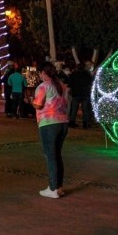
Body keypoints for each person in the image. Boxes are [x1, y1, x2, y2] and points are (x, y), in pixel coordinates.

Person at [32, 61, 70, 199]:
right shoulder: (61, 86)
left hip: (48, 123)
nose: (40, 75)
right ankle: (59, 187)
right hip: (63, 122)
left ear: (43, 73)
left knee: (50, 156)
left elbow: (38, 104)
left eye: (40, 73)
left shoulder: (43, 87)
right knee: (57, 155)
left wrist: (31, 100)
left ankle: (53, 188)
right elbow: (65, 103)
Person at [68, 62, 94, 129]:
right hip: (85, 94)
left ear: (77, 68)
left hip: (76, 94)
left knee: (74, 109)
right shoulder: (87, 74)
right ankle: (85, 124)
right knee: (85, 109)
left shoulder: (73, 74)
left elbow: (70, 84)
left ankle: (72, 122)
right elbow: (91, 83)